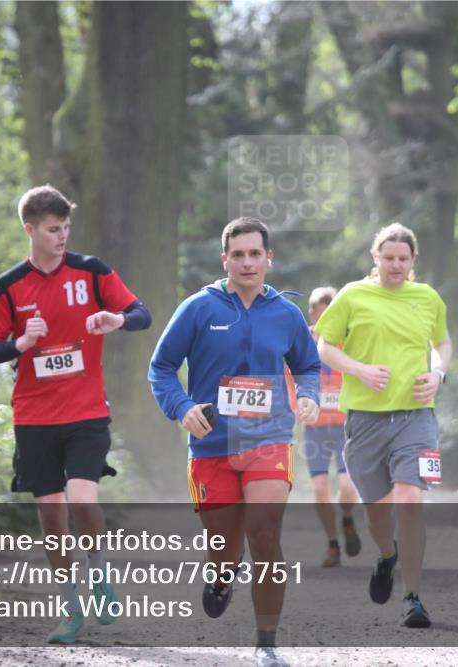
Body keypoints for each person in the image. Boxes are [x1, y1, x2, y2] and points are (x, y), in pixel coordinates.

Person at [0, 185, 152, 644]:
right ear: (29, 229)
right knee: (53, 517)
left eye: (66, 227)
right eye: (53, 229)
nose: (62, 236)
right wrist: (21, 344)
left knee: (81, 499)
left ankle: (100, 577)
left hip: (86, 411)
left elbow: (142, 313)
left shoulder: (91, 272)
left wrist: (117, 320)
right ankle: (70, 609)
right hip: (34, 417)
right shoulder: (9, 286)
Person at [148, 217, 320, 667]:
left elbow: (308, 365)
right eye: (238, 255)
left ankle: (266, 644)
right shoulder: (198, 309)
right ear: (225, 259)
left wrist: (308, 396)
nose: (247, 262)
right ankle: (222, 574)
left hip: (269, 439)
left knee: (265, 533)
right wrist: (181, 407)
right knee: (223, 547)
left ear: (268, 258)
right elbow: (161, 367)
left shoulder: (286, 312)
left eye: (255, 254)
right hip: (212, 446)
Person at [314, 222, 452, 629]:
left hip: (416, 418)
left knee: (409, 500)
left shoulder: (427, 297)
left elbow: (442, 343)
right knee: (377, 513)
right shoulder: (353, 296)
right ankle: (387, 555)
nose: (396, 265)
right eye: (388, 257)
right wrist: (359, 370)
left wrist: (439, 373)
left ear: (413, 261)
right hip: (365, 422)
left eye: (403, 259)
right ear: (376, 257)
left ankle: (413, 597)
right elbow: (324, 345)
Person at [300, 287, 361, 567]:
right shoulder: (301, 341)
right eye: (324, 312)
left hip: (345, 426)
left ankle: (347, 519)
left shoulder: (349, 340)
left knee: (348, 485)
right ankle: (332, 543)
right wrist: (296, 405)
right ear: (313, 313)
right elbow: (290, 376)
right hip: (314, 427)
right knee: (320, 487)